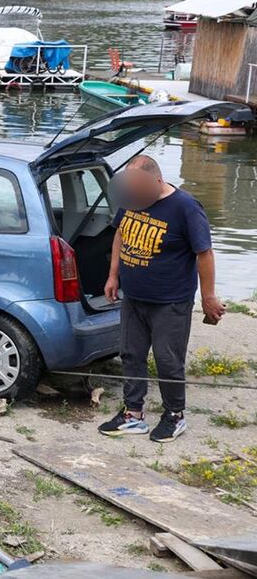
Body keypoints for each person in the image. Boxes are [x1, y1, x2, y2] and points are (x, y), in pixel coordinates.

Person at [98, 155, 225, 443]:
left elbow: (204, 253)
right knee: (130, 354)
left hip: (170, 301)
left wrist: (208, 297)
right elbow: (120, 234)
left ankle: (174, 415)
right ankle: (133, 413)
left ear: (157, 181)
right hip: (134, 297)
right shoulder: (131, 198)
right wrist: (113, 275)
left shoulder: (185, 207)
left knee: (168, 360)